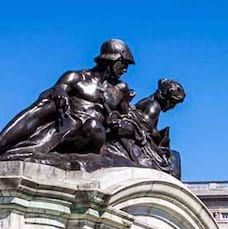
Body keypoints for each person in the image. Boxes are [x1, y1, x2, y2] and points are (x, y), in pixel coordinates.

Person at [0, 39, 135, 159]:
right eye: (123, 64)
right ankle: (4, 142)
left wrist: (122, 126)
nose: (125, 70)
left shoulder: (120, 89)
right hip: (69, 124)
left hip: (94, 134)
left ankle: (24, 150)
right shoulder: (76, 77)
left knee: (91, 125)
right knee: (46, 104)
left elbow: (128, 120)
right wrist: (60, 93)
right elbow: (58, 89)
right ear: (112, 60)